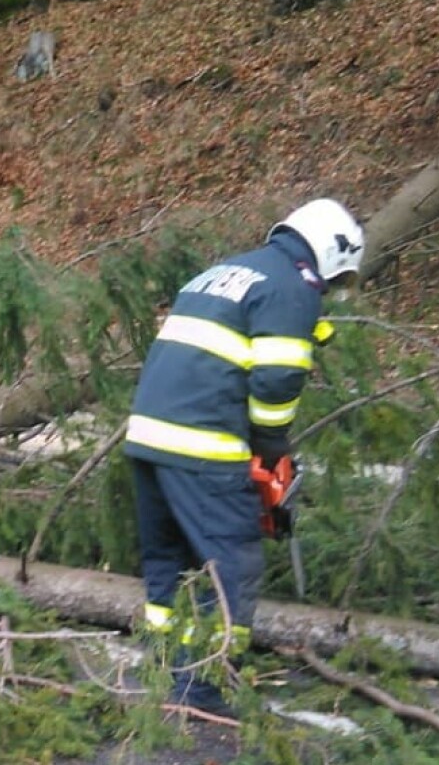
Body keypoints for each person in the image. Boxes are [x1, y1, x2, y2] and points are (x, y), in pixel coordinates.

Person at [125, 198, 363, 716]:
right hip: (201, 443)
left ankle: (161, 658)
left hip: (148, 434)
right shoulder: (293, 286)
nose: (330, 290)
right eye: (335, 278)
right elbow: (278, 375)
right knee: (233, 559)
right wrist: (273, 444)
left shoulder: (225, 271)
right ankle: (204, 685)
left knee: (169, 557)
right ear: (328, 253)